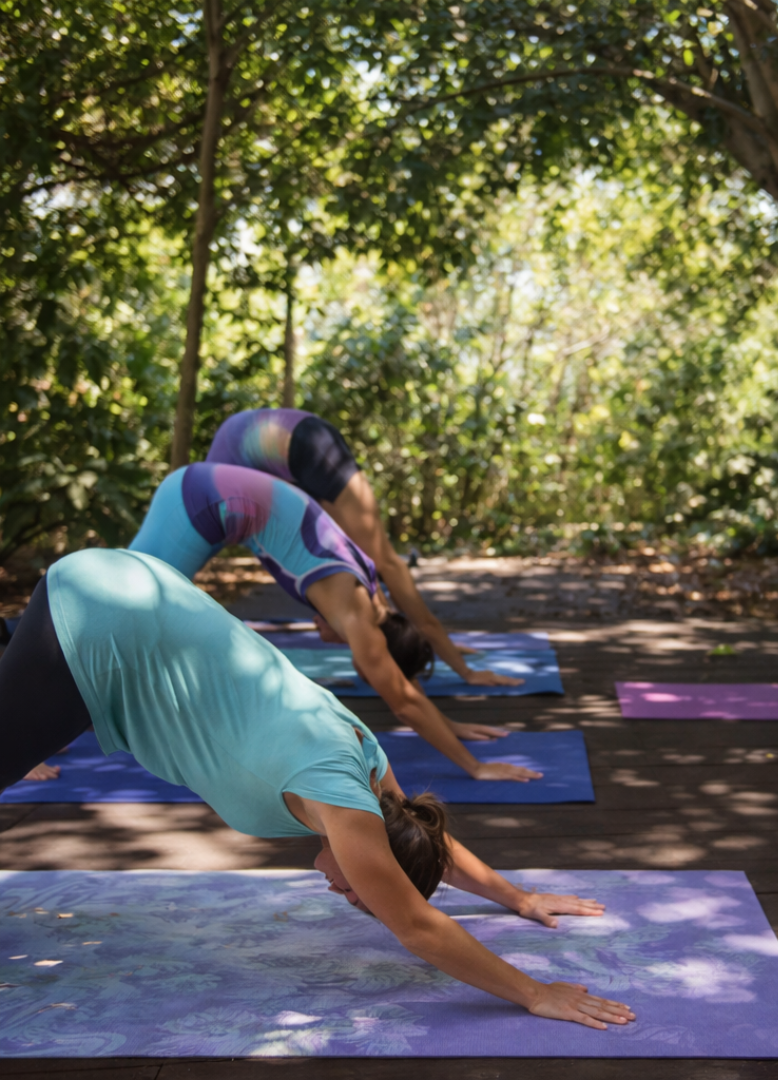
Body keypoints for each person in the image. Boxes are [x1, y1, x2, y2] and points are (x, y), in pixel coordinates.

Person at [0, 548, 634, 1031]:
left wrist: (517, 897)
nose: (341, 891)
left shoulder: (370, 769)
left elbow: (424, 840)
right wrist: (535, 992)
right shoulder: (345, 808)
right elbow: (417, 925)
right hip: (104, 620)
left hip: (136, 587)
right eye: (357, 892)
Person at [128, 462, 537, 783]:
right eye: (365, 665)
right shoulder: (357, 614)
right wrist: (475, 767)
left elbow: (401, 675)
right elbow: (403, 702)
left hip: (209, 491)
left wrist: (450, 724)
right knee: (124, 604)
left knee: (130, 597)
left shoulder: (373, 594)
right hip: (199, 500)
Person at [206, 408, 519, 689]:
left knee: (371, 561)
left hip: (270, 438)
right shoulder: (248, 519)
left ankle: (423, 642)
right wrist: (464, 670)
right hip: (284, 439)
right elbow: (390, 595)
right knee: (383, 561)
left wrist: (436, 645)